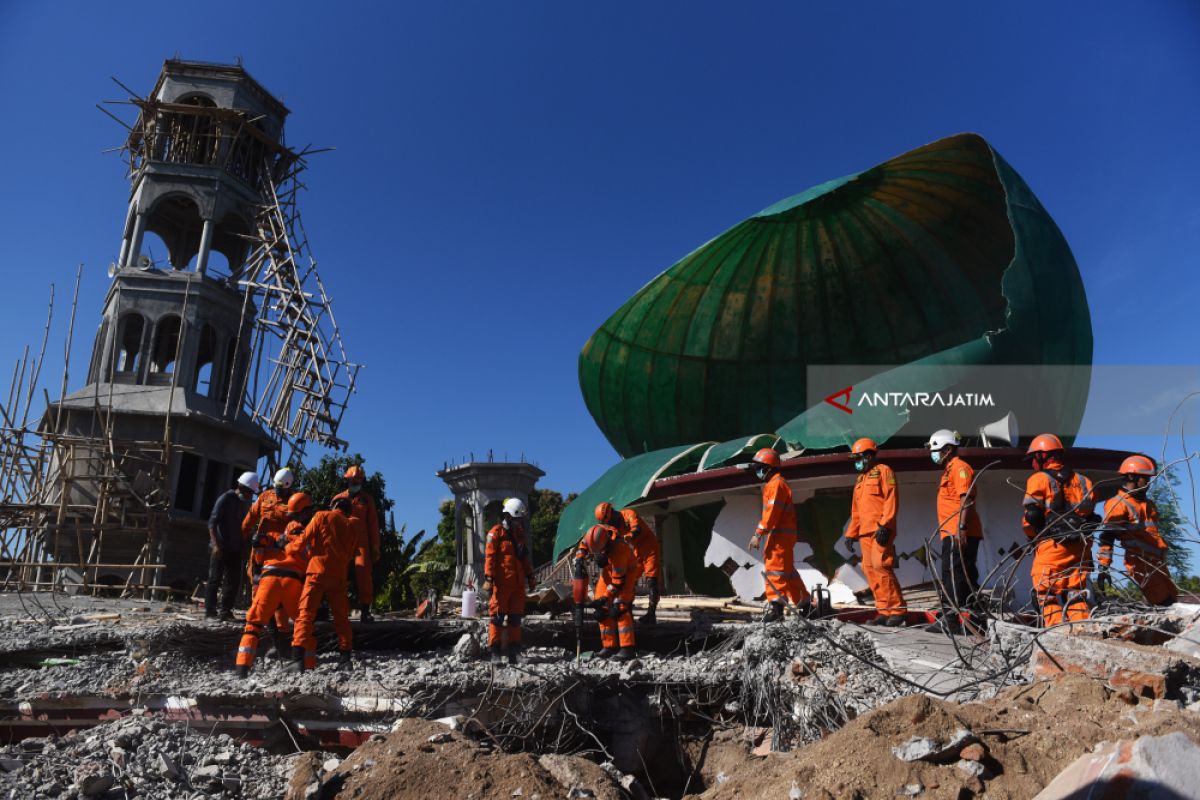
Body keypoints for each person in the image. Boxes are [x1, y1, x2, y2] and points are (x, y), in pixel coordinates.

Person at [235, 492, 315, 677]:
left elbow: (258, 546)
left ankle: (241, 670)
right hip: (293, 582)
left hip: (268, 580)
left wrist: (256, 570)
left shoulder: (273, 535)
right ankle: (308, 667)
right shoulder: (307, 536)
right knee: (304, 626)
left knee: (253, 625)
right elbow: (312, 559)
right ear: (304, 513)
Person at [1022, 433, 1097, 626]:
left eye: (1033, 459)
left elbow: (1032, 516)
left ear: (1042, 456)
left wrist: (1033, 536)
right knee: (1076, 593)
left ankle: (1056, 633)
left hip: (1052, 546)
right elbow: (1091, 516)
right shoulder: (1084, 481)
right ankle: (1083, 632)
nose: (1032, 465)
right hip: (1081, 547)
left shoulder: (1038, 479)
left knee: (1046, 592)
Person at [288, 497, 358, 672]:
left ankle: (297, 660)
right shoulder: (352, 526)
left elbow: (302, 540)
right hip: (339, 577)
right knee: (342, 619)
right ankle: (345, 660)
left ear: (334, 506)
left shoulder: (321, 516)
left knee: (305, 614)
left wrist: (287, 545)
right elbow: (351, 553)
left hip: (317, 573)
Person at [1097, 455, 1177, 606]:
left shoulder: (1148, 504)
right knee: (1165, 604)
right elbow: (1107, 537)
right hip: (1140, 564)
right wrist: (1103, 567)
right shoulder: (1117, 503)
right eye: (1145, 478)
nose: (1148, 483)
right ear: (1131, 476)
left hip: (1158, 564)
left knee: (1172, 602)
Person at [844, 438, 906, 626]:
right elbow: (856, 511)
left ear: (869, 456)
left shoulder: (884, 471)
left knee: (881, 567)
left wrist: (886, 525)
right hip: (864, 532)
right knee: (870, 570)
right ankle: (883, 611)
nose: (856, 462)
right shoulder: (860, 479)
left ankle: (897, 610)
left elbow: (890, 498)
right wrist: (850, 533)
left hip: (880, 530)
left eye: (859, 457)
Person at [926, 430, 982, 634]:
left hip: (959, 531)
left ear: (948, 450)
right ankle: (972, 620)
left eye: (937, 450)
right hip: (952, 532)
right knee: (957, 574)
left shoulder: (960, 468)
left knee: (956, 576)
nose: (934, 454)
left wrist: (961, 528)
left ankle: (951, 621)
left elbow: (965, 498)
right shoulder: (949, 470)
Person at [746, 449, 811, 622]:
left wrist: (758, 533)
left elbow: (772, 513)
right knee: (787, 572)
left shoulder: (776, 485)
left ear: (769, 467)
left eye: (759, 467)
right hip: (780, 535)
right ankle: (806, 605)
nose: (757, 471)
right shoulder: (776, 484)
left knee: (775, 571)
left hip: (779, 537)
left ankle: (776, 610)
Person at [573, 523, 641, 661]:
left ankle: (627, 649)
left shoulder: (619, 550)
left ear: (606, 545)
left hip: (626, 573)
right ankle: (609, 646)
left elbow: (617, 582)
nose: (597, 555)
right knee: (601, 610)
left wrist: (606, 598)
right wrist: (580, 557)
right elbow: (584, 545)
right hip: (608, 570)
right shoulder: (594, 535)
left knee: (619, 607)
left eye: (599, 552)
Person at [482, 498, 536, 664]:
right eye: (518, 518)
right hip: (502, 583)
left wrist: (530, 577)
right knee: (497, 618)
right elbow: (490, 557)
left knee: (515, 619)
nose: (520, 521)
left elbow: (524, 559)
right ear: (509, 516)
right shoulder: (496, 533)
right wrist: (489, 578)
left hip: (518, 584)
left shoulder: (519, 535)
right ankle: (495, 653)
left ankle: (514, 653)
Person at [242, 468, 296, 629]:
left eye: (281, 488)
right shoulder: (265, 496)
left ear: (289, 486)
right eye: (276, 487)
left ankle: (279, 626)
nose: (278, 490)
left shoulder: (295, 501)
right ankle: (256, 618)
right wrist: (242, 536)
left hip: (281, 551)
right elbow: (251, 517)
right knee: (256, 580)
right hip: (261, 548)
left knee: (280, 586)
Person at [594, 503, 663, 625]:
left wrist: (627, 536)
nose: (610, 524)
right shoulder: (613, 526)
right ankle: (627, 612)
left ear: (612, 513)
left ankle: (651, 615)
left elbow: (637, 529)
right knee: (630, 580)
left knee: (651, 580)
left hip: (650, 547)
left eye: (610, 521)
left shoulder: (629, 514)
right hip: (636, 550)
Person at [206, 472, 259, 622]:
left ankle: (225, 612)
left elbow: (241, 528)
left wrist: (243, 546)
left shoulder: (243, 503)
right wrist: (216, 545)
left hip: (234, 548)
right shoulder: (225, 498)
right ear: (241, 487)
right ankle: (210, 611)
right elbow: (212, 523)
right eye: (249, 492)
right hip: (221, 547)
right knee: (214, 579)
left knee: (233, 581)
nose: (250, 496)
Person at [334, 465, 382, 623]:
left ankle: (365, 611)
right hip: (341, 543)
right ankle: (338, 609)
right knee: (339, 574)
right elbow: (329, 523)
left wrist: (375, 546)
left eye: (359, 480)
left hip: (361, 543)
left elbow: (373, 524)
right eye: (353, 479)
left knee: (363, 574)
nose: (356, 482)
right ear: (347, 479)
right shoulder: (337, 499)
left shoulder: (367, 500)